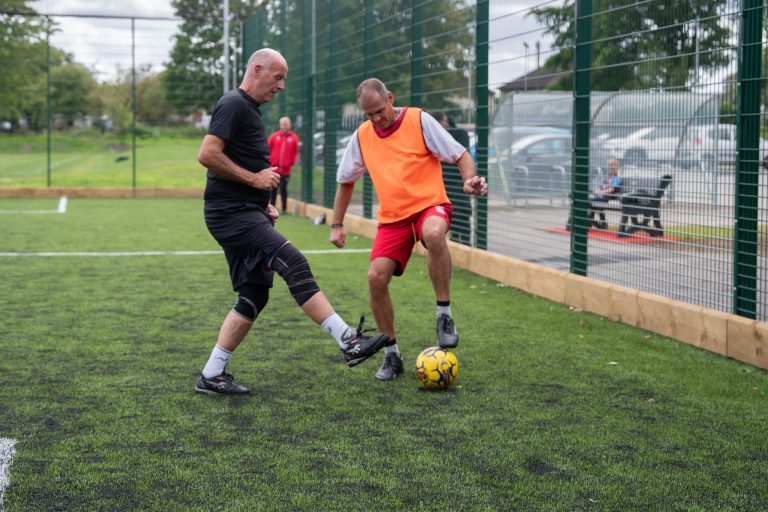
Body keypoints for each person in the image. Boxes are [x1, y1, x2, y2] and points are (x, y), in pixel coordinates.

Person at [195, 49, 389, 395]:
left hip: (244, 211)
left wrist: (261, 203)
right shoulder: (234, 103)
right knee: (294, 262)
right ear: (257, 69)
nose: (281, 86)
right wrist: (254, 183)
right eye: (278, 77)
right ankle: (348, 340)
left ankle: (212, 374)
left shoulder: (249, 109)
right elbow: (207, 154)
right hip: (230, 214)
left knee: (254, 295)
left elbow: (243, 163)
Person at [330, 78, 488, 381]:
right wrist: (337, 224)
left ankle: (444, 315)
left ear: (390, 98)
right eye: (369, 114)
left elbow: (460, 154)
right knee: (375, 278)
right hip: (393, 218)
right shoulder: (362, 136)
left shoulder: (418, 119)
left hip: (430, 205)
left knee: (432, 234)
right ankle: (392, 354)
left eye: (379, 110)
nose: (377, 119)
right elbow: (345, 180)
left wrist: (470, 180)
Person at [432, 111, 472, 245]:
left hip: (459, 181)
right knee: (450, 215)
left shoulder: (460, 133)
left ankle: (466, 243)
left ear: (444, 120)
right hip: (444, 183)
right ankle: (455, 242)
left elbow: (461, 153)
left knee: (463, 213)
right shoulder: (434, 137)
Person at [268, 117, 299, 213]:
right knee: (273, 189)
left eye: (286, 124)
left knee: (283, 188)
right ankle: (271, 207)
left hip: (286, 170)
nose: (285, 126)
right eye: (283, 124)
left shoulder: (294, 138)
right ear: (280, 125)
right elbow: (268, 149)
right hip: (274, 168)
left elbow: (295, 152)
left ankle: (284, 208)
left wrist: (291, 162)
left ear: (290, 125)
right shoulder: (274, 136)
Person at [588, 157, 622, 229]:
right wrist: (597, 190)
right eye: (610, 168)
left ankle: (590, 221)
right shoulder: (608, 177)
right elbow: (602, 187)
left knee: (589, 203)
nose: (611, 170)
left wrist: (601, 192)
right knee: (591, 203)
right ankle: (601, 223)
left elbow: (611, 189)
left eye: (613, 168)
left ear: (617, 169)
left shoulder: (616, 178)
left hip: (604, 198)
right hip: (599, 197)